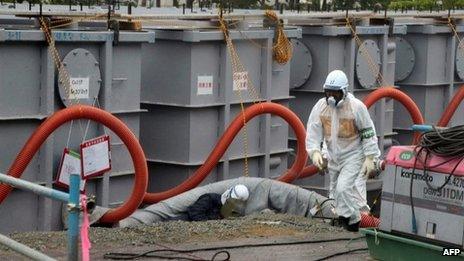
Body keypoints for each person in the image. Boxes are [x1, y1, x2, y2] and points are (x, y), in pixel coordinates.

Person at [305, 70, 380, 232]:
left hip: (354, 155)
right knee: (335, 193)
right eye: (328, 92)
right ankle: (346, 223)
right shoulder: (321, 107)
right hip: (334, 157)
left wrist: (370, 157)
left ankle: (353, 222)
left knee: (344, 188)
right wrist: (316, 153)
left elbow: (368, 133)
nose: (331, 97)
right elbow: (313, 132)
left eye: (335, 93)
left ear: (344, 92)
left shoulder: (356, 107)